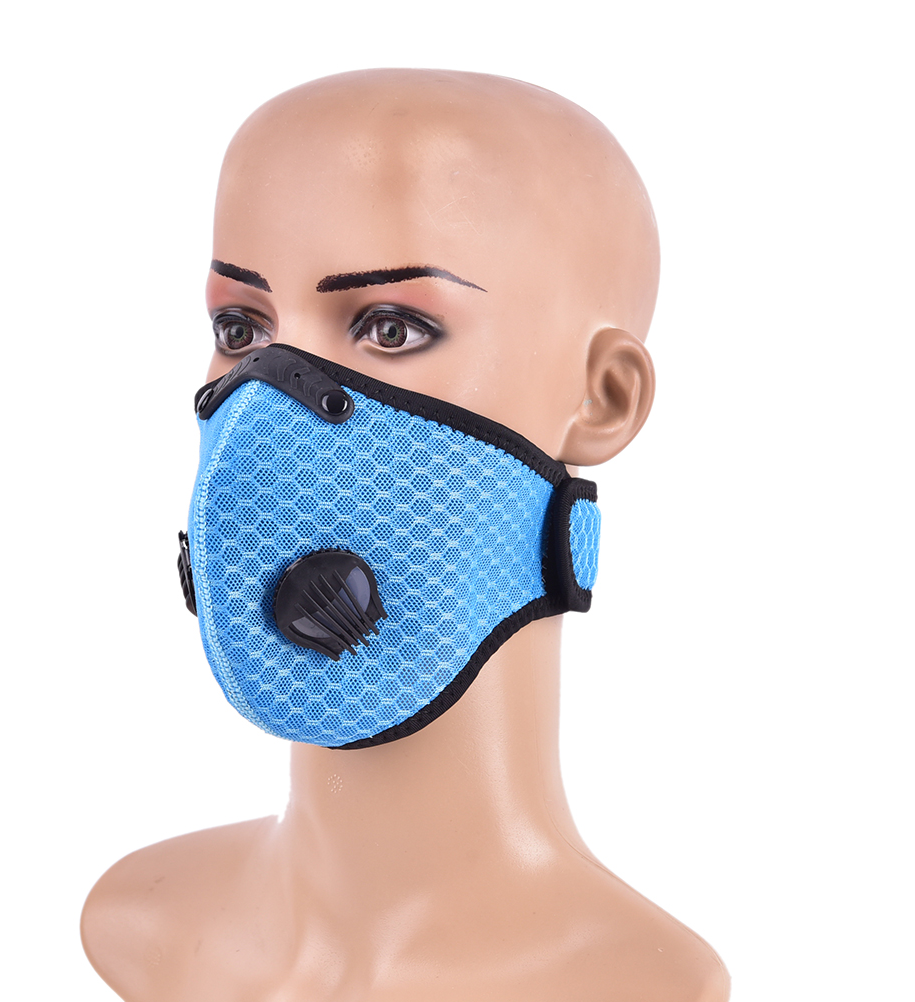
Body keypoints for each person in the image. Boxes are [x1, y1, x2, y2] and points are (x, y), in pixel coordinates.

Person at [82, 68, 730, 1001]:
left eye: (389, 328)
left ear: (603, 399)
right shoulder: (141, 921)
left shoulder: (640, 982)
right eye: (242, 326)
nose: (268, 398)